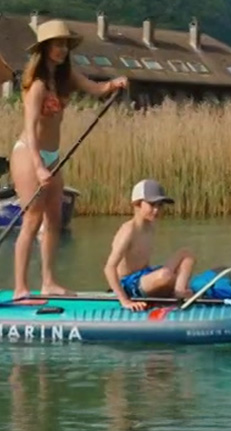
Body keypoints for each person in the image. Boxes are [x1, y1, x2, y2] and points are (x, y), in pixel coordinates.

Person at [13, 18, 126, 299]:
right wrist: (39, 166)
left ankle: (49, 281)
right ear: (45, 48)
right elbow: (30, 126)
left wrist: (114, 83)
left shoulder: (66, 77)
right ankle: (20, 289)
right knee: (32, 220)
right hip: (29, 153)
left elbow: (96, 89)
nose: (62, 50)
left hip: (53, 155)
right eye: (57, 45)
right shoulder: (36, 84)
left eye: (65, 44)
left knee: (55, 218)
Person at [103, 179, 195, 312]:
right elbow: (109, 268)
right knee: (166, 276)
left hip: (144, 276)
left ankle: (179, 292)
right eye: (152, 205)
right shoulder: (128, 230)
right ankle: (177, 289)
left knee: (186, 254)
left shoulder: (150, 226)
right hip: (128, 284)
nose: (157, 210)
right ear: (137, 204)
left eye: (160, 205)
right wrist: (124, 301)